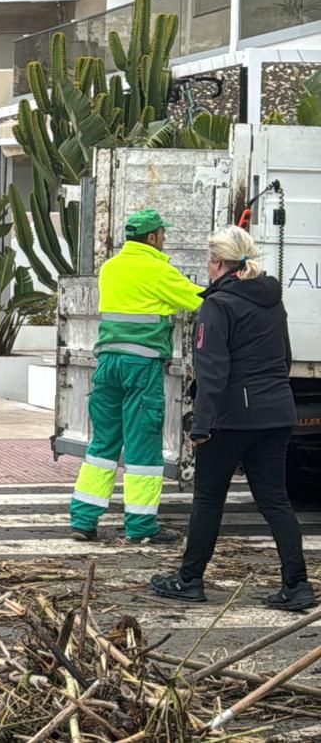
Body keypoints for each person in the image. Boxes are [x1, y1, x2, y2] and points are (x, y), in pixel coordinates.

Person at [150, 227, 313, 609]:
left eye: (209, 260)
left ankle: (190, 578)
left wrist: (202, 425)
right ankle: (297, 584)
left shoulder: (218, 306)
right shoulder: (273, 301)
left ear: (220, 263)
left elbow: (212, 371)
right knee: (275, 500)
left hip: (232, 417)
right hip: (276, 412)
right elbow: (284, 358)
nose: (207, 267)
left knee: (208, 499)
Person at [71, 209, 205, 544]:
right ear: (151, 237)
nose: (165, 238)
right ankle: (142, 527)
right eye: (162, 233)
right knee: (143, 447)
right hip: (140, 366)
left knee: (103, 443)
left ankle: (83, 519)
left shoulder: (110, 268)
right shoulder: (159, 270)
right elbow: (197, 300)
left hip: (107, 364)